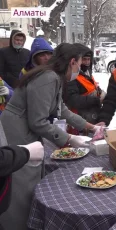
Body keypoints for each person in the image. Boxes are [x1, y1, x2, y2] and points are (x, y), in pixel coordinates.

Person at [0, 43, 101, 230]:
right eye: (79, 63)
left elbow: (62, 110)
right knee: (22, 180)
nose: (80, 68)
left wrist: (90, 127)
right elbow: (38, 122)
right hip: (17, 131)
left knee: (31, 176)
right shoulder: (48, 78)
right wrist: (69, 139)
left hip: (23, 127)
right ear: (72, 62)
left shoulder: (54, 77)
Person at [65, 44, 106, 133]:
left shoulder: (86, 73)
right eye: (84, 59)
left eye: (88, 59)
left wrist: (99, 93)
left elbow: (91, 87)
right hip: (81, 119)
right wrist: (95, 99)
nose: (87, 62)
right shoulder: (72, 76)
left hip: (91, 115)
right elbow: (72, 100)